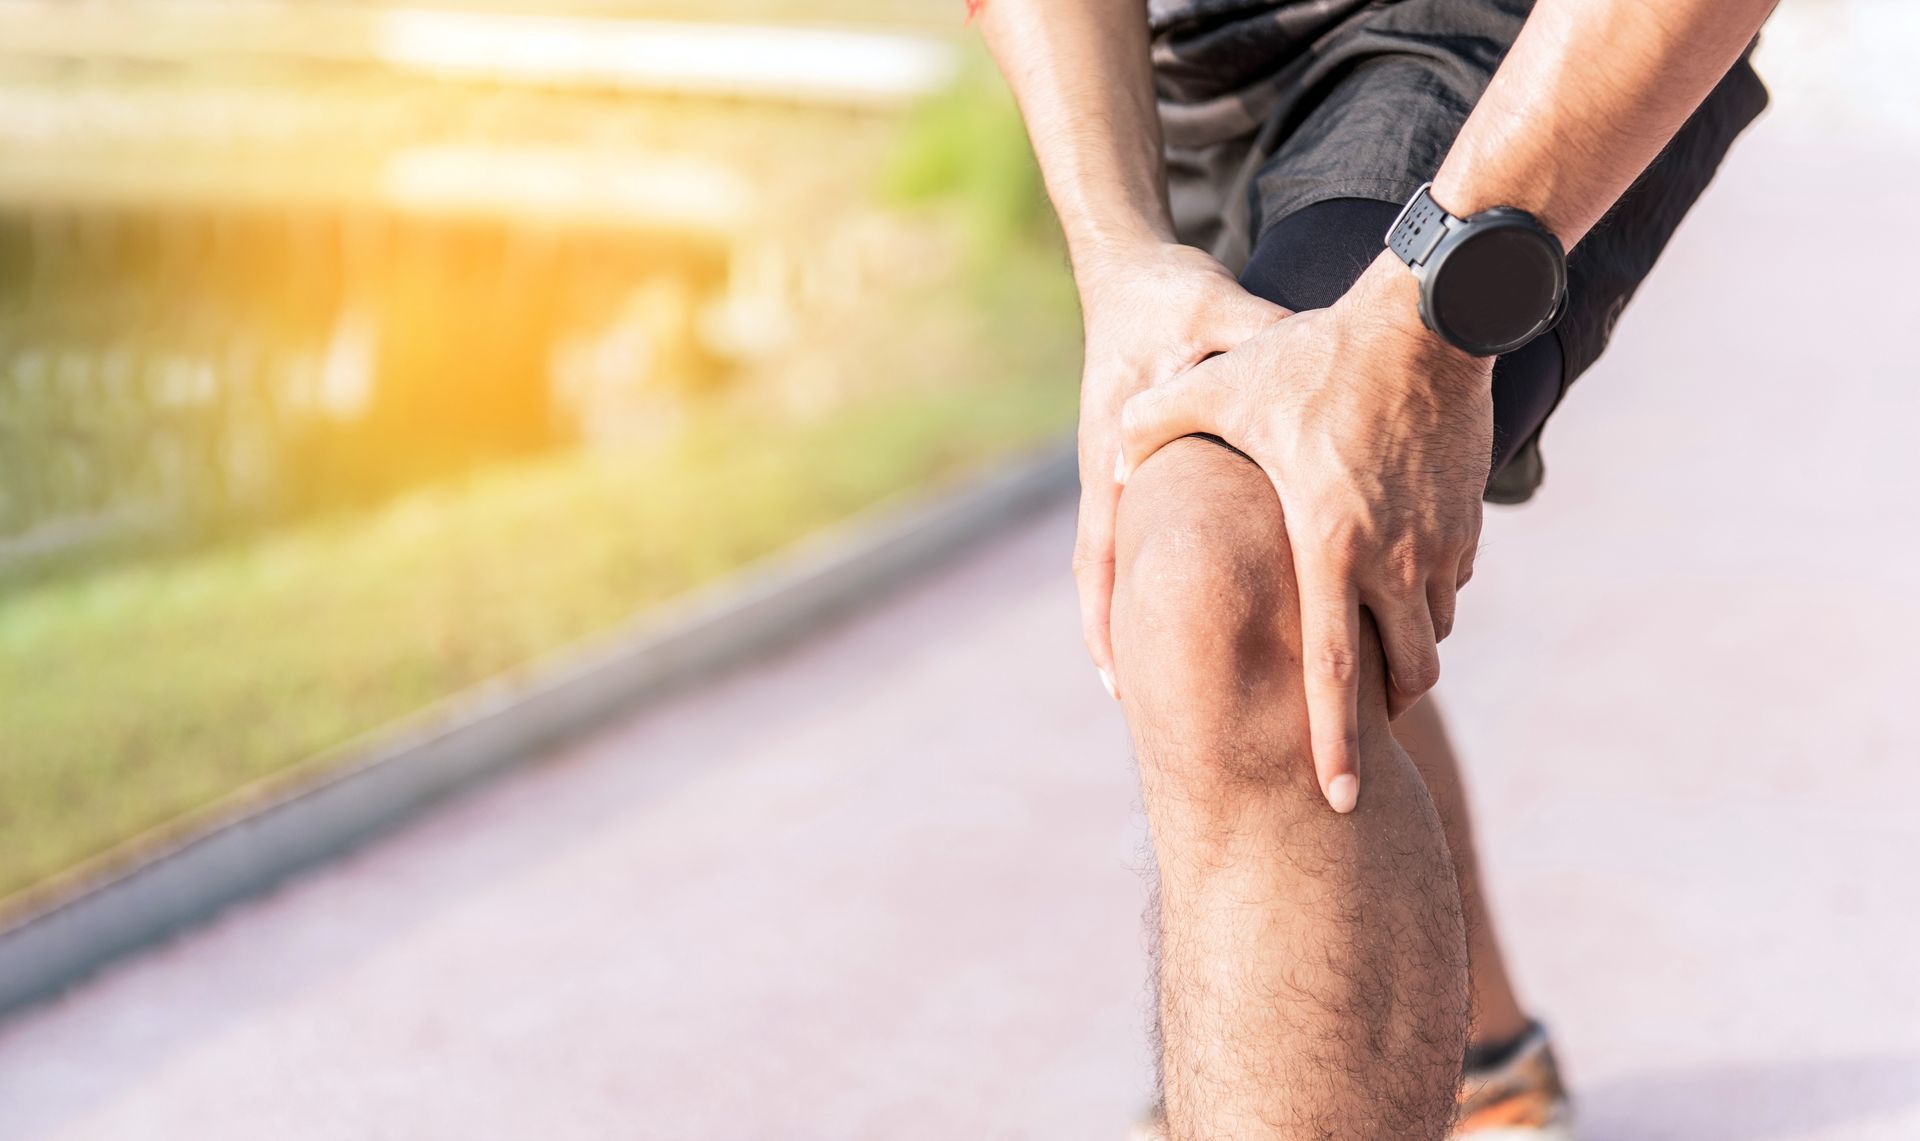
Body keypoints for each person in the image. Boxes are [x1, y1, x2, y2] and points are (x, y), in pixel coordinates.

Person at [976, 0, 1773, 1136]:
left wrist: (1428, 320)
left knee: (1234, 560)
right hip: (1172, 60)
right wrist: (1118, 253)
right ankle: (1477, 1060)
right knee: (1322, 588)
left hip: (1489, 32)